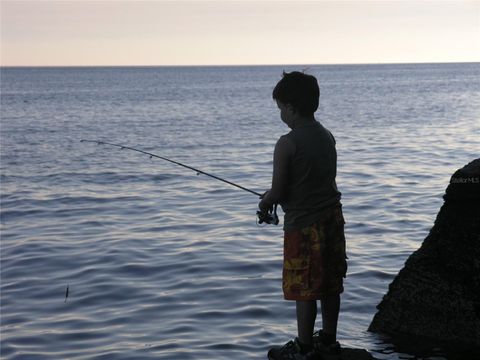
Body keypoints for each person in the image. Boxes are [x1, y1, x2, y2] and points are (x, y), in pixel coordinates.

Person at [259, 71, 347, 360]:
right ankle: (330, 340)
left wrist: (265, 202)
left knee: (304, 288)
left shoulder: (287, 143)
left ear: (291, 108)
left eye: (281, 109)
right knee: (330, 283)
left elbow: (278, 191)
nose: (281, 114)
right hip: (332, 221)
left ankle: (305, 346)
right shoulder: (327, 136)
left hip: (302, 227)